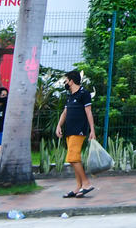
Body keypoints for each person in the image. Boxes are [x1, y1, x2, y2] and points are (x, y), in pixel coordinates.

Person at [55, 70, 96, 198]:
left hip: (79, 130)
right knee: (74, 159)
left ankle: (86, 183)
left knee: (72, 158)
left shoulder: (84, 93)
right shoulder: (70, 95)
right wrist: (59, 125)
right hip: (69, 130)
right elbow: (65, 112)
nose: (65, 83)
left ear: (71, 81)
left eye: (66, 81)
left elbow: (88, 112)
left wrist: (92, 130)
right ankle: (79, 187)